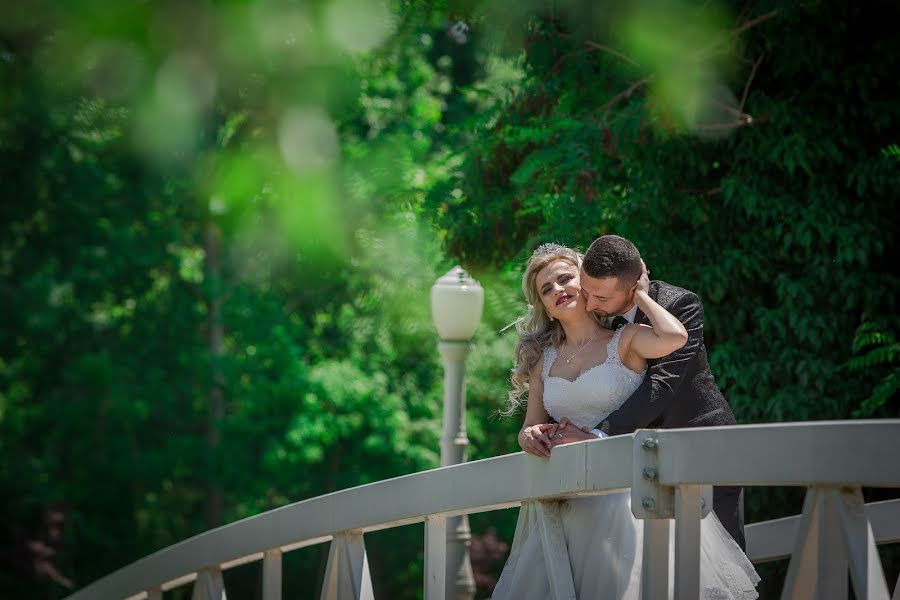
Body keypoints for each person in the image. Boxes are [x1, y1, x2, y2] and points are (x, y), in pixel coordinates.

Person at [492, 243, 758, 599]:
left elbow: (661, 387)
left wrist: (598, 438)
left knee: (708, 573)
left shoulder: (658, 316)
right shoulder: (546, 358)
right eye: (546, 289)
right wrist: (530, 436)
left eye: (565, 280)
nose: (558, 290)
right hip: (583, 494)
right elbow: (531, 424)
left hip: (693, 450)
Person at [550, 234, 746, 550]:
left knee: (724, 563)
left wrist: (599, 436)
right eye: (586, 292)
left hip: (704, 446)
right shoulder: (596, 319)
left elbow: (662, 385)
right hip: (645, 464)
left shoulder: (680, 305)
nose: (589, 304)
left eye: (600, 298)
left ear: (633, 285)